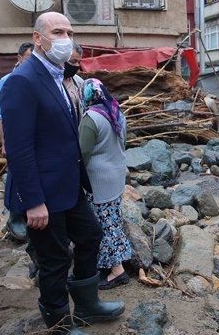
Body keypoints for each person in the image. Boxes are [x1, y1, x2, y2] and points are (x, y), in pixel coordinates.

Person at [0, 12, 124, 333]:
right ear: (38, 38)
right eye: (57, 32)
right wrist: (33, 201)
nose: (65, 38)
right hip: (42, 191)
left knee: (91, 235)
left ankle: (87, 303)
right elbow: (19, 149)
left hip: (69, 187)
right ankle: (59, 323)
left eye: (69, 31)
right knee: (54, 260)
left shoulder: (59, 76)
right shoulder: (22, 81)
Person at [78, 78, 132, 290]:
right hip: (117, 176)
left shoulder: (91, 118)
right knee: (114, 220)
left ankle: (116, 270)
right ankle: (119, 259)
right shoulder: (116, 112)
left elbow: (82, 152)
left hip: (98, 181)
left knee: (104, 225)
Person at [0, 42, 34, 242]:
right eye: (29, 57)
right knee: (16, 176)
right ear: (19, 58)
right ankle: (15, 218)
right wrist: (4, 142)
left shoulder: (38, 80)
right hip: (15, 139)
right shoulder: (7, 81)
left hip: (34, 139)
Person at [64, 42, 84, 122]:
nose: (76, 65)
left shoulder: (79, 82)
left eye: (79, 62)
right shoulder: (50, 82)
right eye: (73, 61)